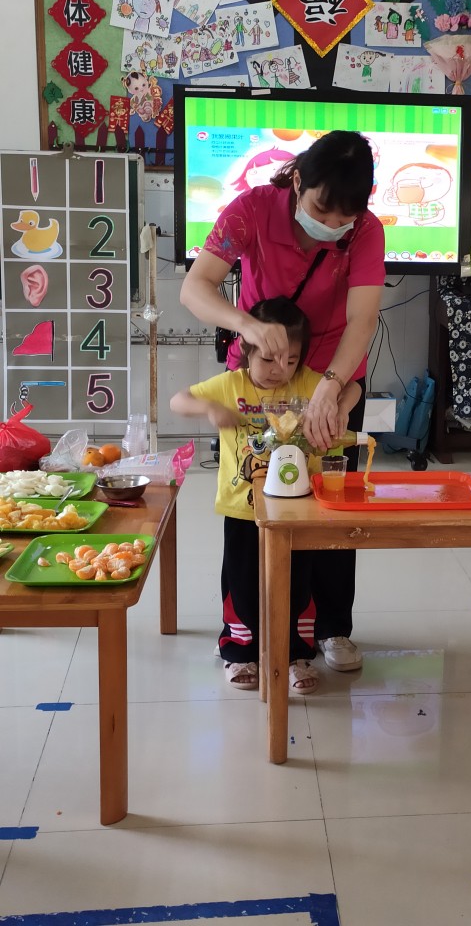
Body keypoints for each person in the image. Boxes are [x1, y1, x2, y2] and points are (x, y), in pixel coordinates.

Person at [180, 129, 385, 674]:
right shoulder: (251, 210)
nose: (333, 225)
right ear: (297, 181)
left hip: (332, 376)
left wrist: (332, 388)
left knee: (334, 506)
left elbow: (363, 319)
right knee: (251, 505)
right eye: (321, 210)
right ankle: (242, 632)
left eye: (345, 217)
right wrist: (245, 324)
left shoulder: (366, 230)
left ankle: (330, 628)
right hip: (262, 379)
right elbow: (196, 288)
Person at [170, 297, 362, 694]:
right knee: (242, 582)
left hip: (299, 511)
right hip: (243, 507)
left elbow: (355, 387)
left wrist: (339, 404)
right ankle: (240, 651)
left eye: (291, 360)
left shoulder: (307, 384)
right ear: (246, 349)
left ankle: (295, 654)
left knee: (298, 585)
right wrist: (210, 410)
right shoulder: (232, 385)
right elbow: (178, 400)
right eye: (269, 360)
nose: (280, 370)